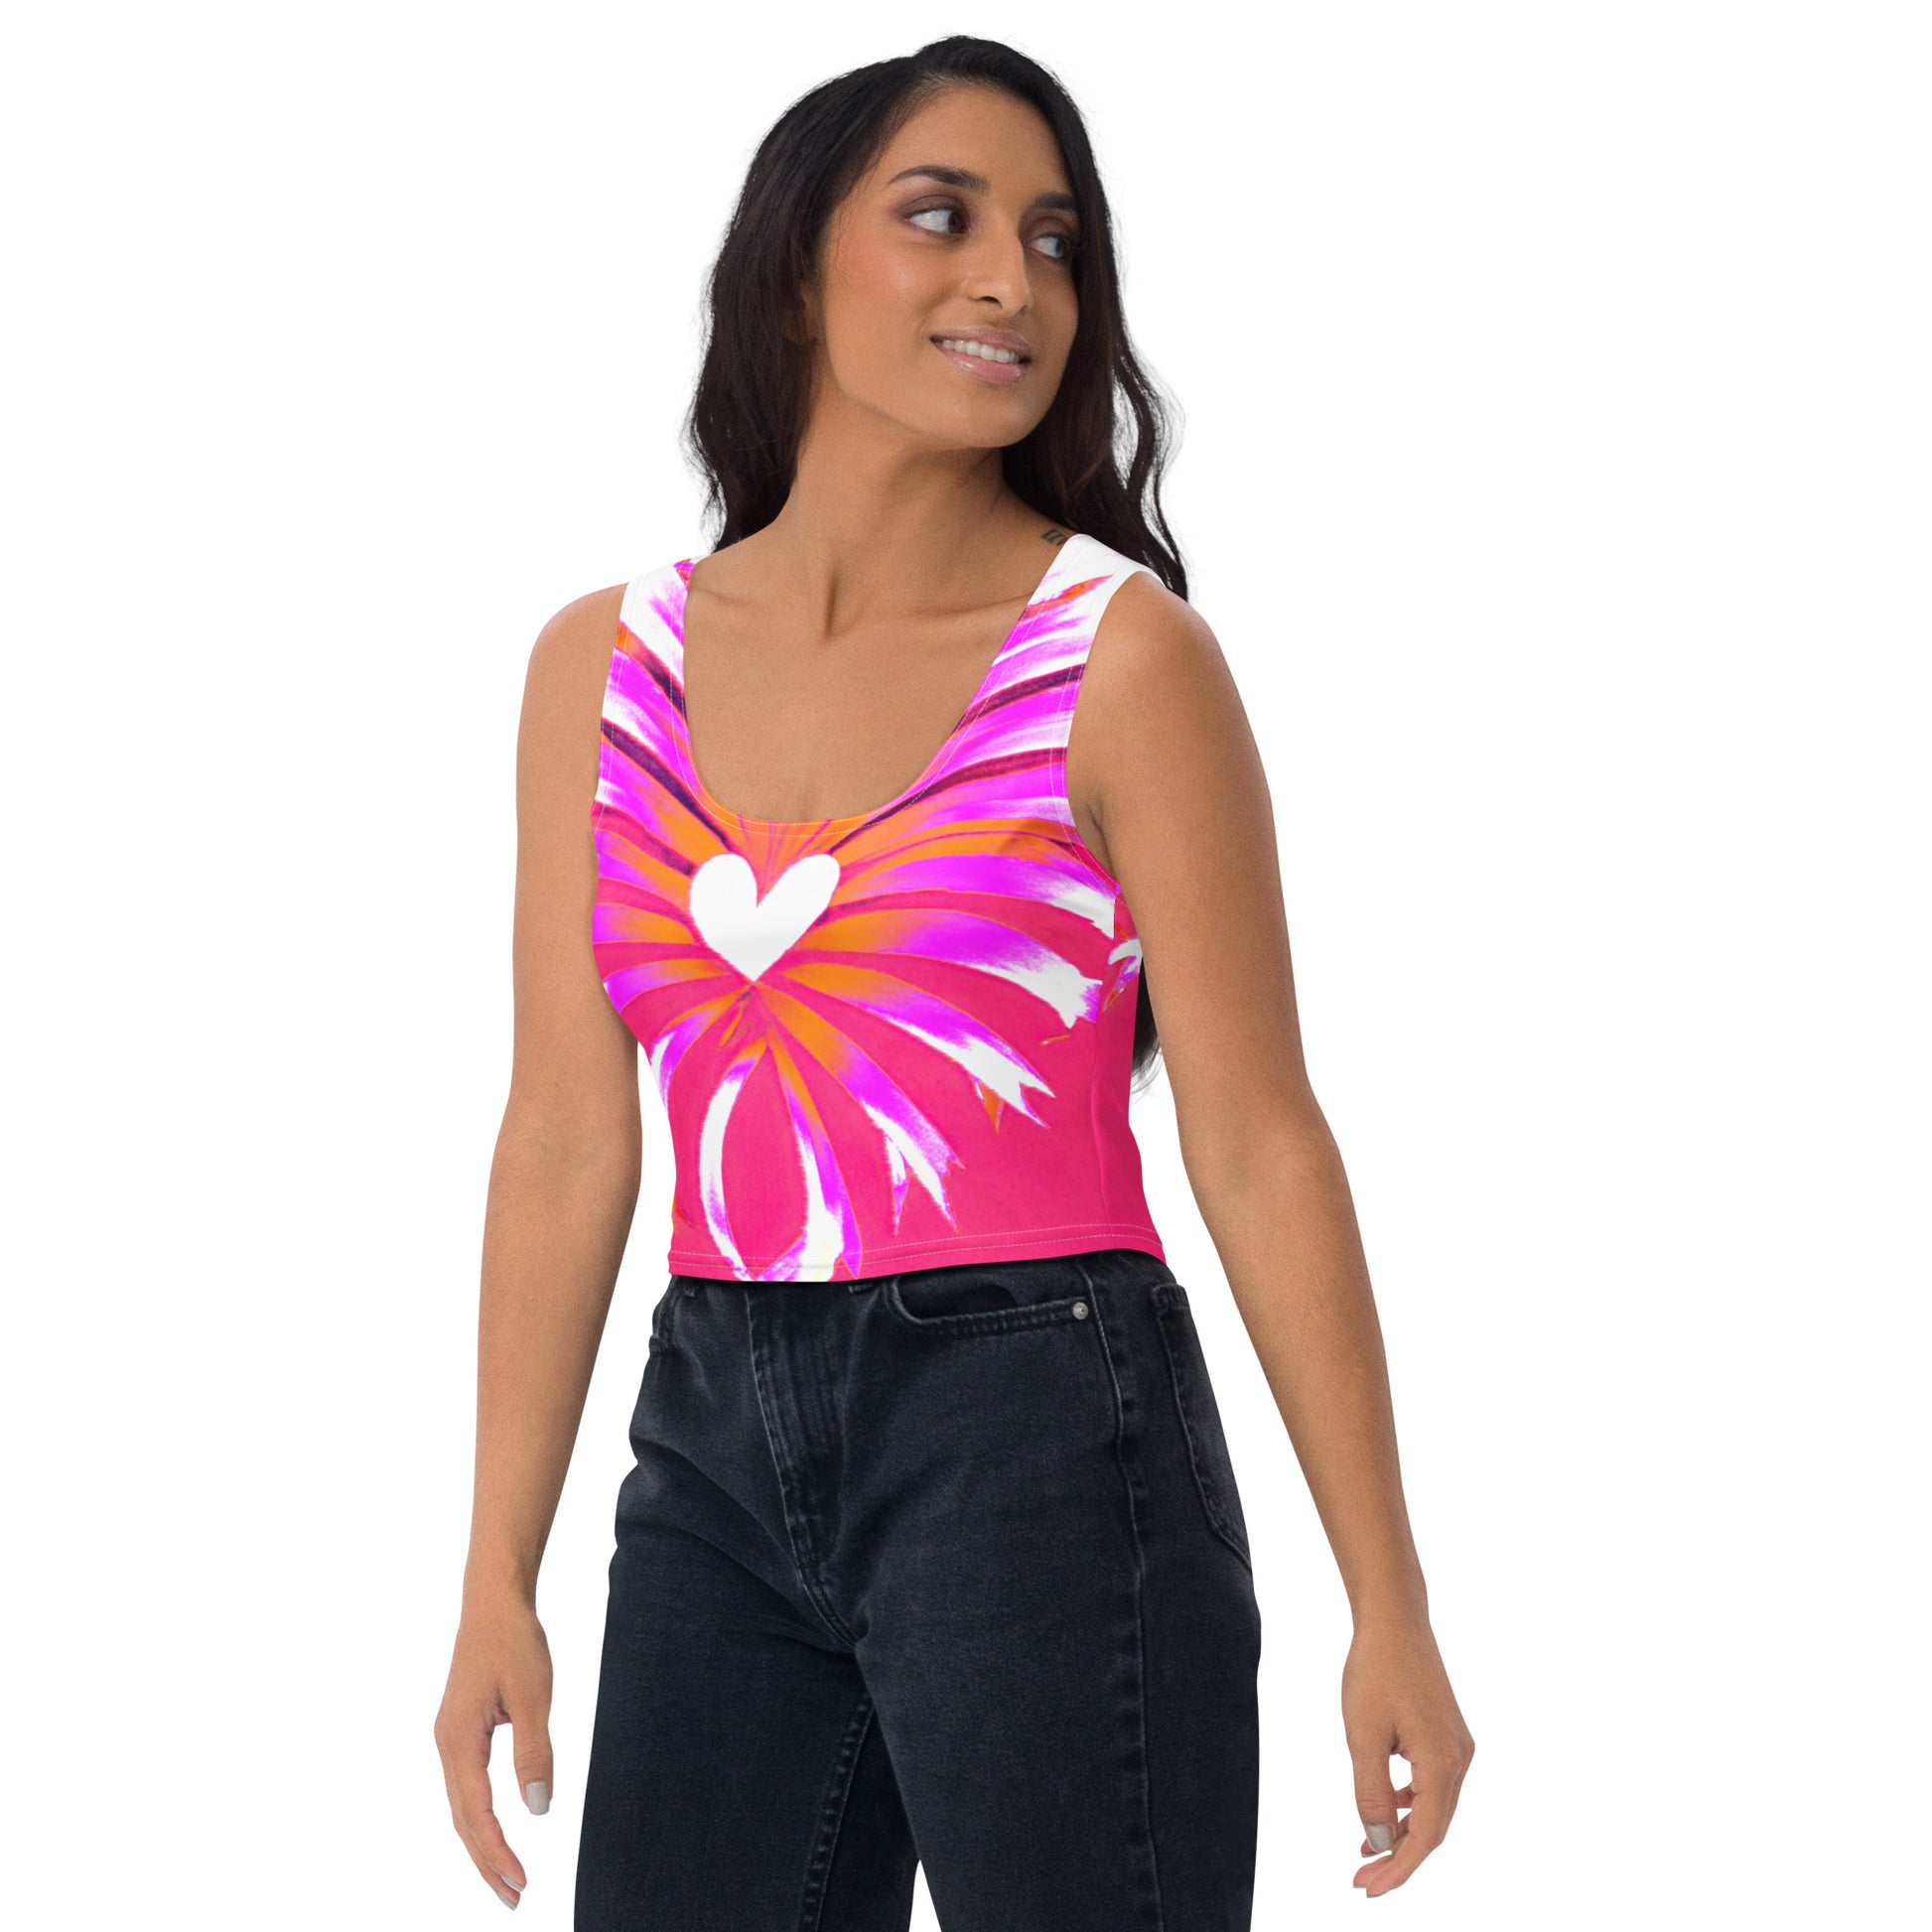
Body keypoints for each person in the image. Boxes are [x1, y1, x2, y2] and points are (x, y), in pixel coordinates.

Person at [434, 34, 1472, 1931]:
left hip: (1044, 1426)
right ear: (792, 270)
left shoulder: (1119, 659)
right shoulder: (601, 667)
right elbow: (567, 1139)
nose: (1014, 282)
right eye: (943, 218)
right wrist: (494, 1569)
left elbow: (1257, 1138)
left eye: (1054, 241)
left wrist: (1384, 1599)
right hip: (707, 1430)